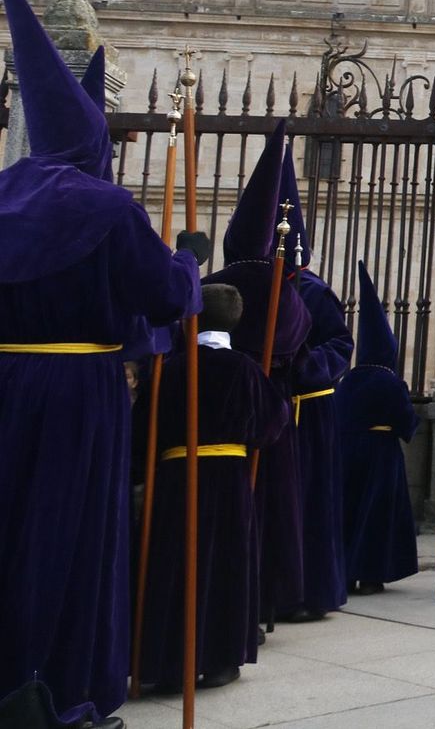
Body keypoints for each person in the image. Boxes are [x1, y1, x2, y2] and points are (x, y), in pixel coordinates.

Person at [0, 0, 203, 729]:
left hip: (7, 389)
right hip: (78, 398)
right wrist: (186, 257)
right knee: (69, 542)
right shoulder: (107, 206)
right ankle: (56, 691)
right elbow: (165, 296)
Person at [134, 284, 288, 693]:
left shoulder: (170, 367)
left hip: (176, 479)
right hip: (229, 481)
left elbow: (141, 430)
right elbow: (271, 426)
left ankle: (168, 662)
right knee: (225, 564)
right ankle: (220, 660)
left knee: (174, 564)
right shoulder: (247, 369)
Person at [201, 121, 314, 632]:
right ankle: (267, 598)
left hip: (206, 413)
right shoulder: (279, 286)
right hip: (267, 405)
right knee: (266, 505)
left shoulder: (212, 282)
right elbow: (296, 337)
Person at [276, 151, 354, 623]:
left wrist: (306, 365)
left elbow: (340, 345)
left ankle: (309, 590)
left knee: (306, 504)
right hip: (264, 413)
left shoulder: (314, 292)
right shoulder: (250, 286)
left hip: (308, 414)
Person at [335, 262, 420, 595]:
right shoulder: (389, 380)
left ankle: (345, 572)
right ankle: (371, 574)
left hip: (347, 452)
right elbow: (406, 422)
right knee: (376, 515)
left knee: (350, 511)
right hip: (381, 456)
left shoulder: (348, 380)